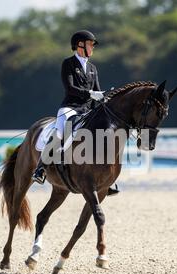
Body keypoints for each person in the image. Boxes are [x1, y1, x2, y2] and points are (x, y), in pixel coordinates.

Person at [32, 30, 119, 196]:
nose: (92, 48)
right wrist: (90, 94)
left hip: (88, 109)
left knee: (104, 131)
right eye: (90, 44)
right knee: (61, 128)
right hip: (71, 106)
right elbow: (70, 88)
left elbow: (98, 91)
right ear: (80, 45)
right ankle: (41, 168)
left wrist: (104, 99)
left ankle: (107, 179)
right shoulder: (68, 64)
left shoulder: (93, 68)